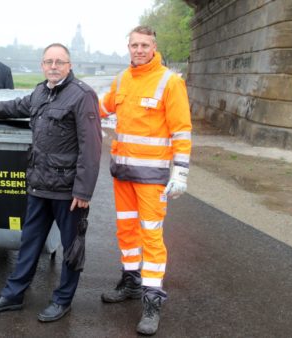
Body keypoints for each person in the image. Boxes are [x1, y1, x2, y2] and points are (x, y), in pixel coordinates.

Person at [0, 43, 102, 322]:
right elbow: (15, 106)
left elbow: (91, 147)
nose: (53, 66)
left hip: (68, 191)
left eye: (59, 62)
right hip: (38, 186)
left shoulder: (82, 96)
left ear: (69, 65)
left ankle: (62, 300)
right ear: (42, 65)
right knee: (29, 242)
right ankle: (13, 295)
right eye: (48, 62)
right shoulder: (39, 92)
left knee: (71, 248)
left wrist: (83, 190)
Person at [98, 26, 192, 336]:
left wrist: (180, 173)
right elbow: (101, 107)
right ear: (128, 47)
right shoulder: (123, 79)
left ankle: (152, 300)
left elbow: (181, 131)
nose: (139, 49)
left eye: (144, 45)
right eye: (134, 45)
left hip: (152, 178)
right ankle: (131, 281)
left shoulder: (170, 82)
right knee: (126, 230)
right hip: (122, 175)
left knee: (151, 236)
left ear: (154, 47)